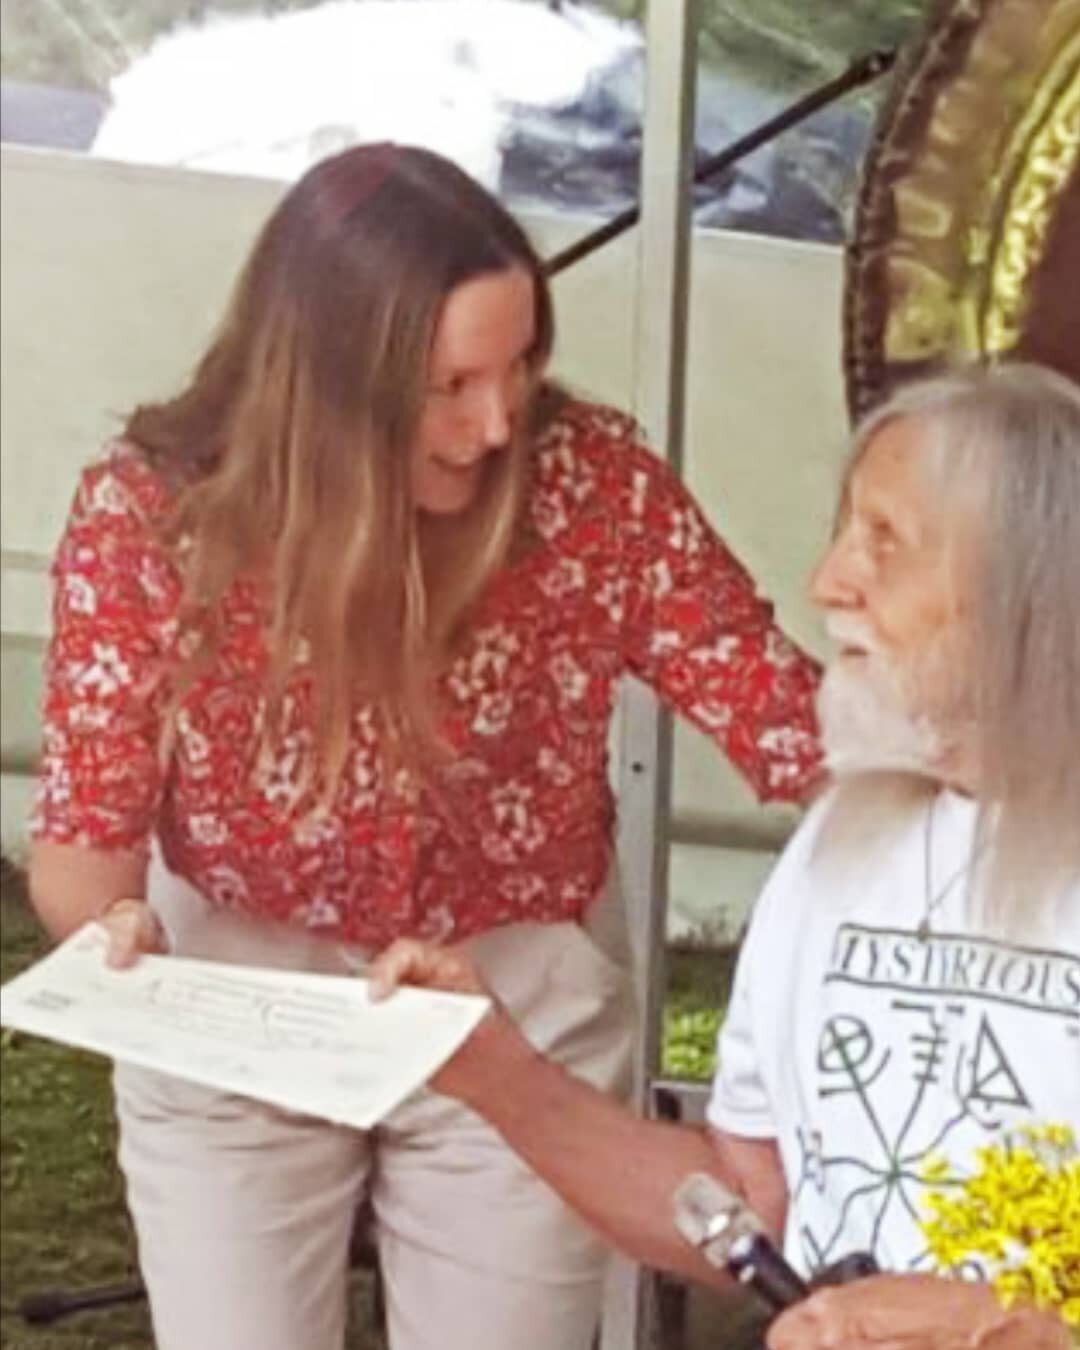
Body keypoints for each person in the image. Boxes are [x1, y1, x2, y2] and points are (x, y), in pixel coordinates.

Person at [27, 142, 823, 1350]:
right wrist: (114, 936)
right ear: (330, 378)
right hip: (238, 998)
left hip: (516, 1002)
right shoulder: (155, 511)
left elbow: (786, 719)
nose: (499, 420)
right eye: (451, 385)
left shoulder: (593, 484)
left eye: (519, 369)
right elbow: (86, 834)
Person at [372, 362, 1080, 1349]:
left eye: (887, 541)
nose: (829, 582)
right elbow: (751, 1200)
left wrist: (1021, 1328)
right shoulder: (843, 841)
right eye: (847, 531)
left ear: (1033, 595)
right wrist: (499, 1074)